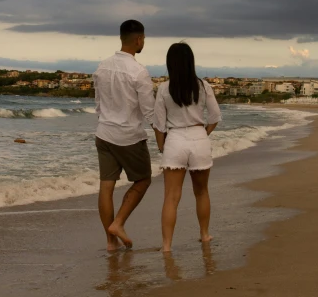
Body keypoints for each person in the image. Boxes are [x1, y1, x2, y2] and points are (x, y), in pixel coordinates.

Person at [153, 42, 222, 252]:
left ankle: (166, 246)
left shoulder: (164, 88)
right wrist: (203, 133)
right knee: (201, 192)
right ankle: (204, 234)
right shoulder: (203, 86)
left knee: (171, 197)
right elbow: (215, 116)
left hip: (174, 140)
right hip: (198, 137)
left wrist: (162, 147)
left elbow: (158, 123)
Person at [93, 20, 155, 250]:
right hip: (129, 136)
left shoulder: (102, 66)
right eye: (144, 39)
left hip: (104, 133)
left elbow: (98, 105)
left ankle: (111, 242)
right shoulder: (139, 71)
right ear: (139, 40)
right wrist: (164, 136)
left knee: (106, 187)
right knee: (143, 179)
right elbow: (149, 111)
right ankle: (118, 223)